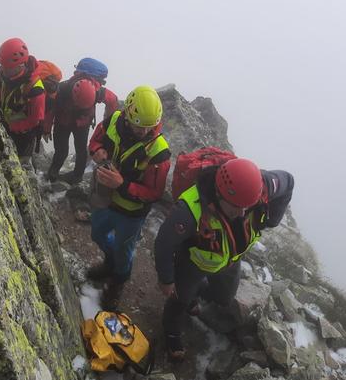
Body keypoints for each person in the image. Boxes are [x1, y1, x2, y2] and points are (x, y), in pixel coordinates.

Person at [153, 158, 295, 361]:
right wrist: (166, 279)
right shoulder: (190, 209)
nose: (242, 213)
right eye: (235, 207)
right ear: (219, 194)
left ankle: (194, 296)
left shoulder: (259, 186)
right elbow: (164, 243)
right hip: (193, 262)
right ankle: (172, 333)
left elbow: (288, 181)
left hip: (230, 261)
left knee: (225, 297)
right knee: (179, 299)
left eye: (247, 206)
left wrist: (273, 219)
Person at [87, 85, 171, 309]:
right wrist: (96, 151)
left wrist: (122, 185)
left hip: (131, 213)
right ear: (128, 114)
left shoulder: (159, 151)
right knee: (97, 233)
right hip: (104, 199)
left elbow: (153, 193)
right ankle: (110, 262)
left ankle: (118, 281)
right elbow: (94, 141)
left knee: (125, 251)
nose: (144, 131)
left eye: (149, 127)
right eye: (139, 125)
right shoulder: (114, 120)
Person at [45, 58, 118, 185]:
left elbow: (113, 101)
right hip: (71, 122)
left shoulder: (97, 91)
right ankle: (52, 176)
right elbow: (51, 109)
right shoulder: (62, 89)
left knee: (79, 151)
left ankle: (75, 177)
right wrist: (46, 128)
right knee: (64, 151)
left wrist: (107, 124)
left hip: (73, 122)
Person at [0, 38, 46, 161]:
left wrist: (12, 127)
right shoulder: (3, 70)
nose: (3, 69)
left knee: (20, 162)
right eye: (2, 66)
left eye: (8, 67)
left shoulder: (35, 89)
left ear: (20, 65)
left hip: (24, 133)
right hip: (5, 122)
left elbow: (35, 120)